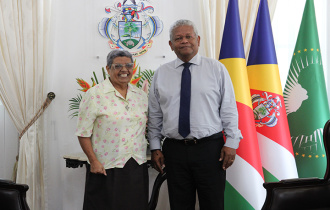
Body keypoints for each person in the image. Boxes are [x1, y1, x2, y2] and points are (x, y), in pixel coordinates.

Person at [148, 19, 243, 210]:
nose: (184, 41)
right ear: (171, 45)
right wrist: (155, 147)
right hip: (174, 151)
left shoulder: (216, 69)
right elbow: (155, 114)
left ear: (198, 40)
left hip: (210, 149)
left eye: (188, 36)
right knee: (179, 204)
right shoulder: (161, 73)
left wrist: (232, 143)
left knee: (213, 203)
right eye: (178, 38)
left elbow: (229, 108)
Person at [75, 49, 149, 210]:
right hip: (106, 166)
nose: (124, 70)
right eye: (118, 66)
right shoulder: (95, 95)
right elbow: (83, 133)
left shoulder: (140, 95)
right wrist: (94, 161)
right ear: (108, 69)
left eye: (129, 65)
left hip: (136, 164)